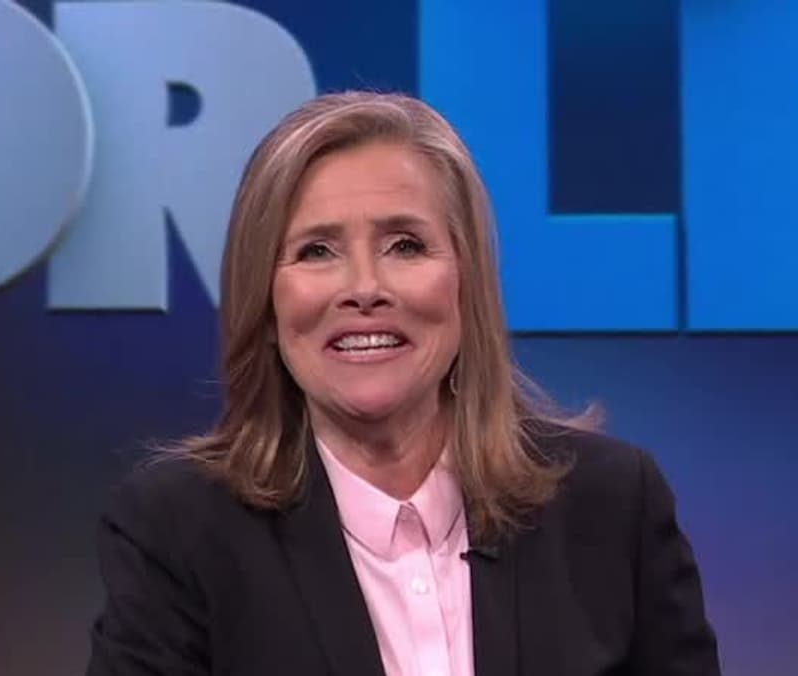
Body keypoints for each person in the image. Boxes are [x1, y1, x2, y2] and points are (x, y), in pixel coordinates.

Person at [86, 91, 720, 675]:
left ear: (466, 282)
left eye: (406, 245)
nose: (364, 288)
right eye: (316, 251)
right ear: (267, 304)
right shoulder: (179, 531)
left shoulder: (612, 505)